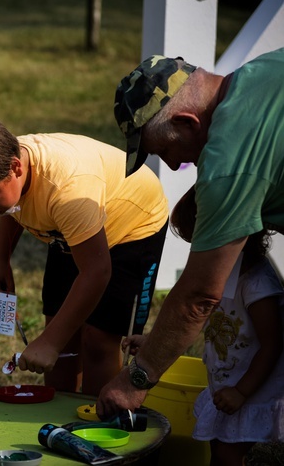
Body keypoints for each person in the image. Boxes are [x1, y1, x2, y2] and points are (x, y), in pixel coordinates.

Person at [97, 49, 284, 418]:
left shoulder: (228, 161)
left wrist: (136, 379)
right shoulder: (266, 66)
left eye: (165, 150)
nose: (172, 164)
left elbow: (199, 295)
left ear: (187, 123)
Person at [0, 112, 169, 396]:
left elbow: (97, 272)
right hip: (70, 231)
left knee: (98, 340)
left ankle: (97, 420)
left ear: (15, 168)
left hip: (132, 226)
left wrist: (49, 343)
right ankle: (58, 419)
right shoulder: (6, 161)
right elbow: (12, 205)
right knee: (61, 332)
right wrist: (0, 259)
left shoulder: (67, 188)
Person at [124, 185, 284, 466]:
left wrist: (242, 391)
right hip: (226, 381)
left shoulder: (257, 283)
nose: (198, 251)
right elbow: (195, 318)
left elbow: (274, 344)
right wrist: (152, 341)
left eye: (201, 241)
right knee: (219, 448)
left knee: (227, 453)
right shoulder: (220, 272)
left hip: (251, 387)